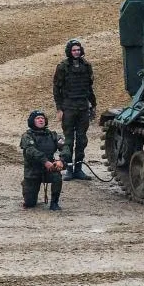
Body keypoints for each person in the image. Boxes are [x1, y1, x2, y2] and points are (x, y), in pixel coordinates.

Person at [53, 38, 96, 181]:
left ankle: (78, 169)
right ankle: (69, 169)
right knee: (69, 140)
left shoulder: (86, 66)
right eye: (74, 50)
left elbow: (89, 87)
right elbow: (56, 89)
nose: (76, 52)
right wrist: (59, 108)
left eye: (78, 50)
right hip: (69, 107)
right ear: (69, 52)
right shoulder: (63, 67)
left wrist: (93, 105)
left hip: (83, 107)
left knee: (82, 140)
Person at [19, 109, 65, 210]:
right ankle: (27, 186)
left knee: (57, 176)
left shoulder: (53, 135)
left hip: (49, 168)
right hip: (33, 170)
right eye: (38, 118)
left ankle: (54, 203)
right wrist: (45, 161)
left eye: (42, 118)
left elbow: (65, 147)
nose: (41, 120)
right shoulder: (27, 136)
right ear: (32, 121)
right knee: (30, 204)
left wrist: (61, 160)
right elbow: (31, 151)